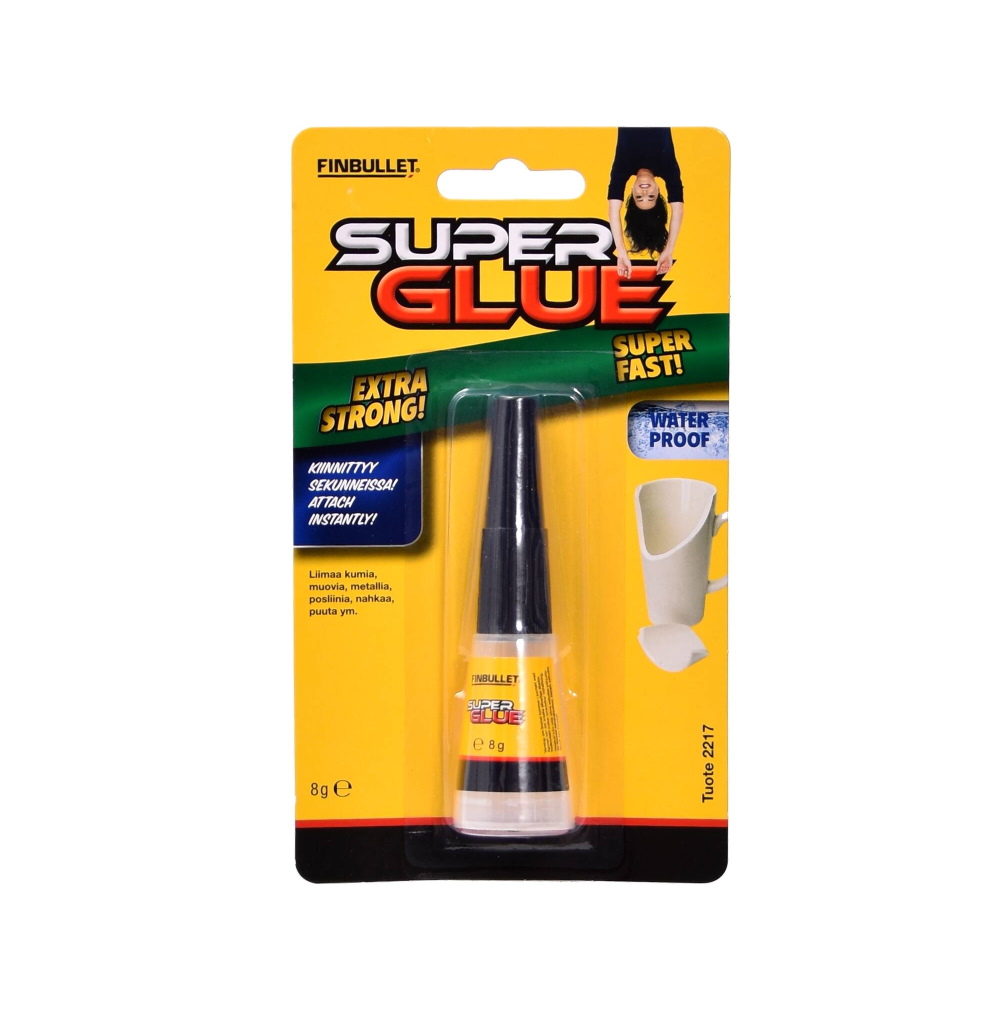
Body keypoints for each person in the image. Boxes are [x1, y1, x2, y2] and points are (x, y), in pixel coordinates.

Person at [607, 127, 684, 278]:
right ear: (658, 190)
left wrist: (621, 253)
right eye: (651, 197)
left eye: (639, 197)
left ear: (631, 191)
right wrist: (668, 251)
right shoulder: (668, 168)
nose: (644, 193)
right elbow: (678, 211)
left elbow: (613, 211)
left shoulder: (622, 168)